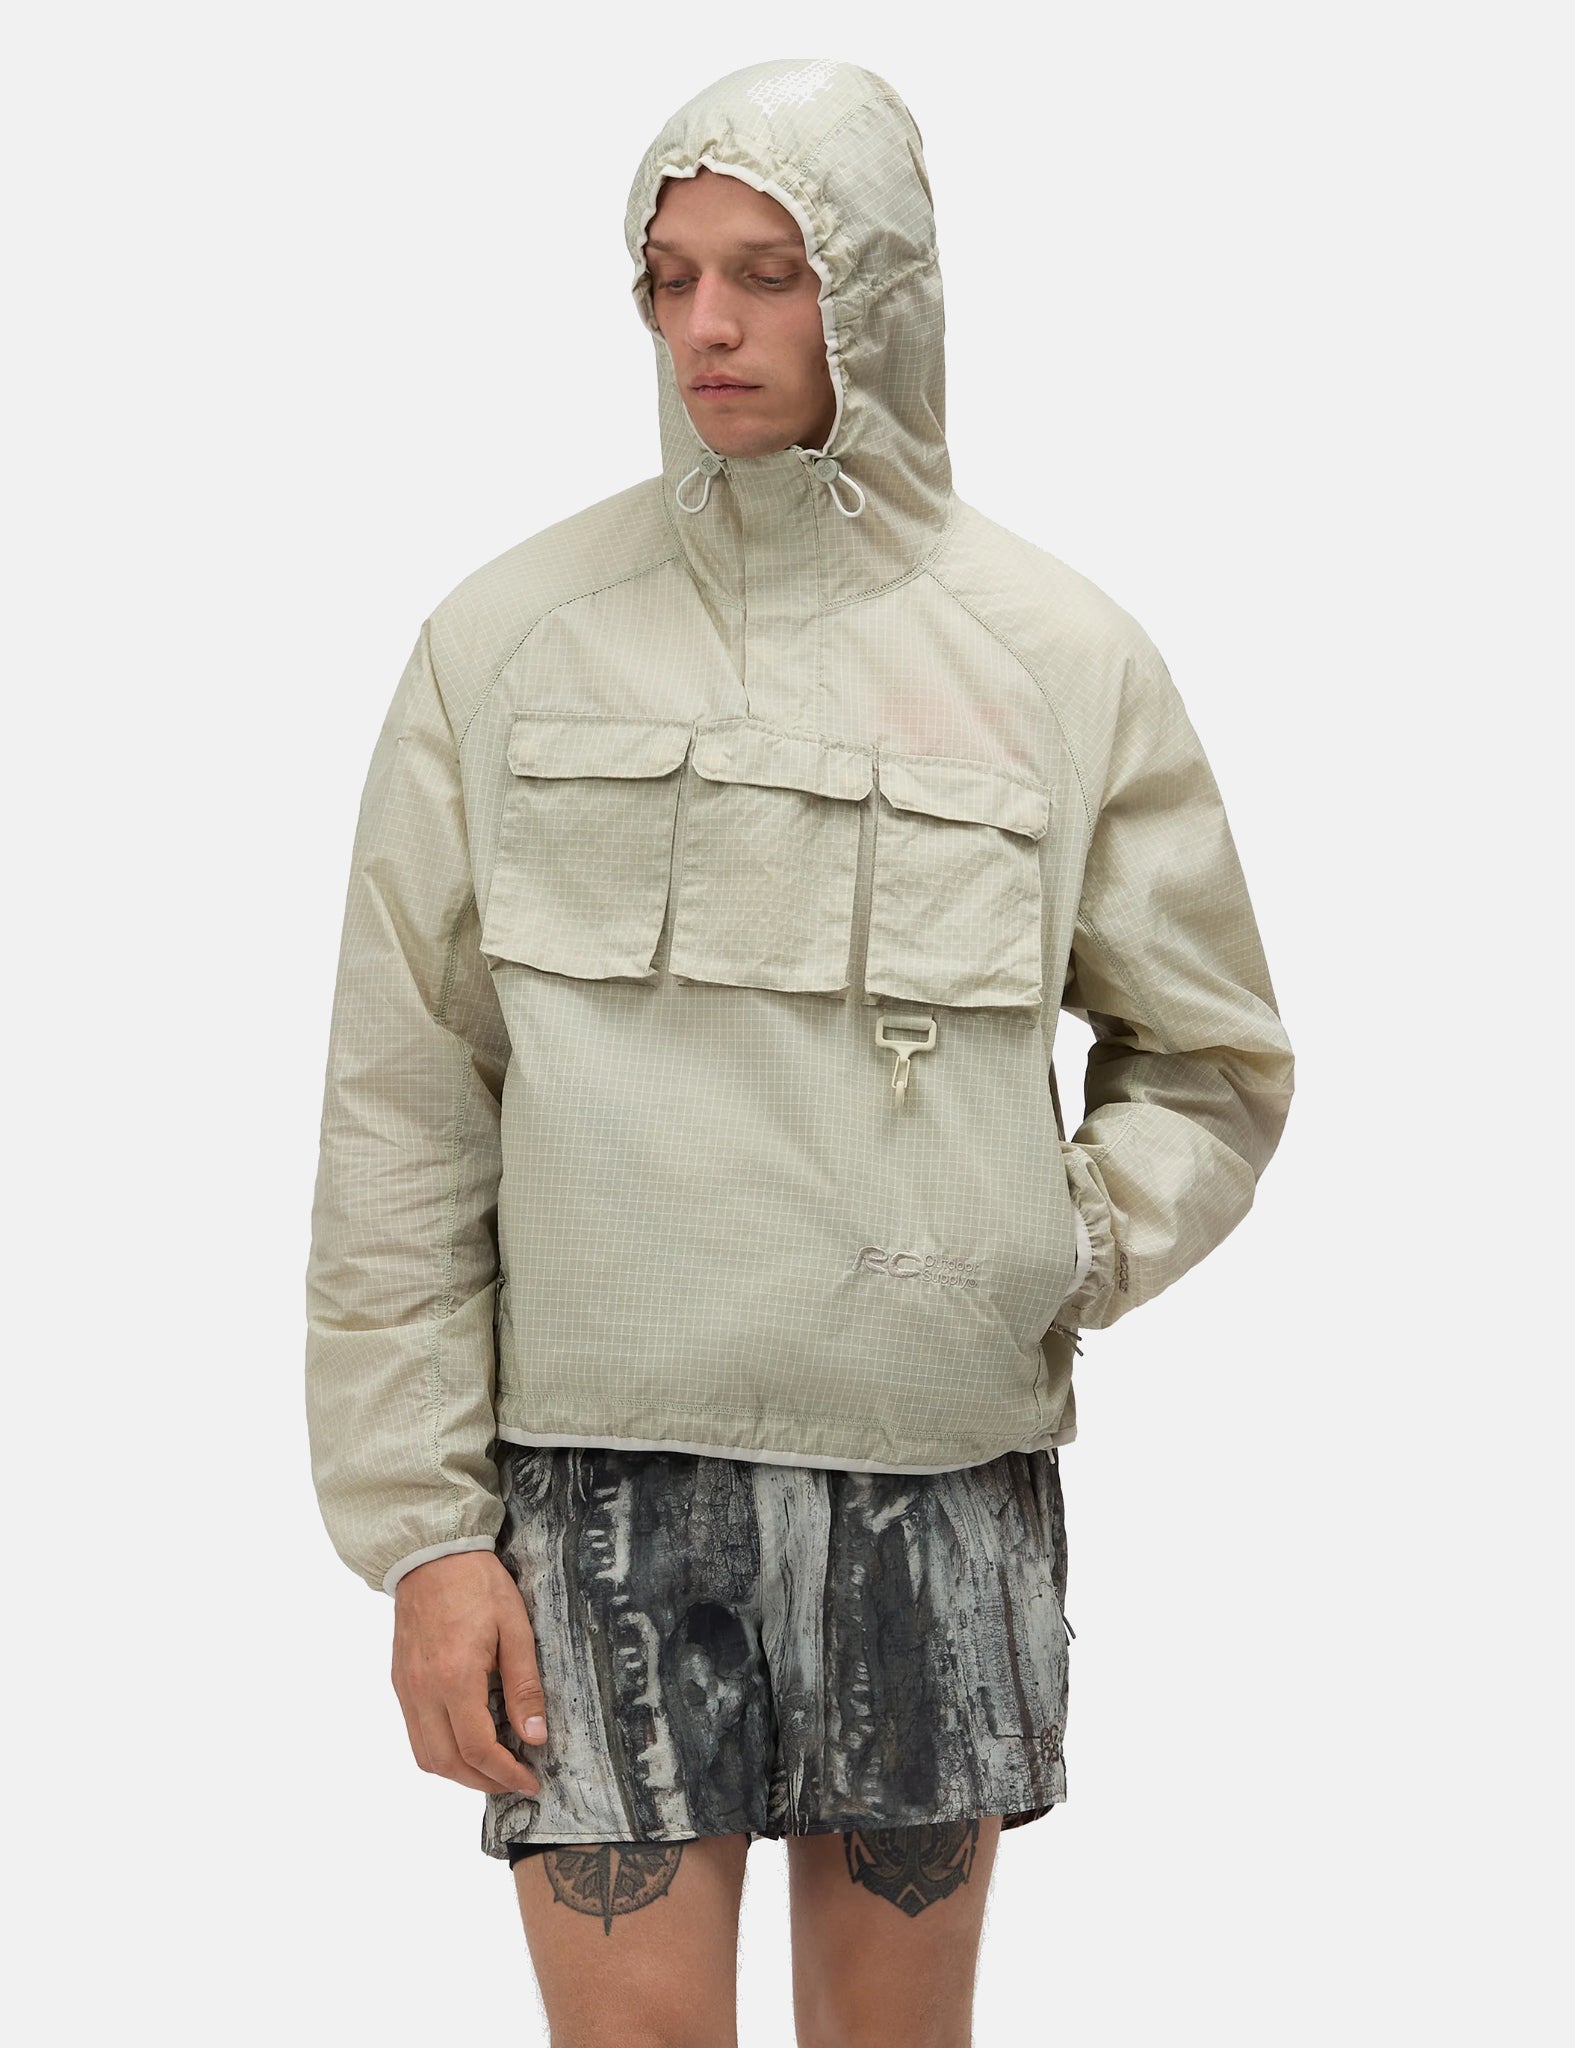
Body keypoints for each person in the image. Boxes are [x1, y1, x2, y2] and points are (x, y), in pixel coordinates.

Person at [304, 55, 1294, 2047]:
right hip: (591, 1485)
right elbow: (404, 1100)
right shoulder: (508, 643)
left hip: (931, 1477)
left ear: (884, 295)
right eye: (670, 277)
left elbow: (1208, 1054)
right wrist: (421, 1534)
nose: (710, 326)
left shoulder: (1056, 657)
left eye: (769, 274)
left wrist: (1049, 1244)